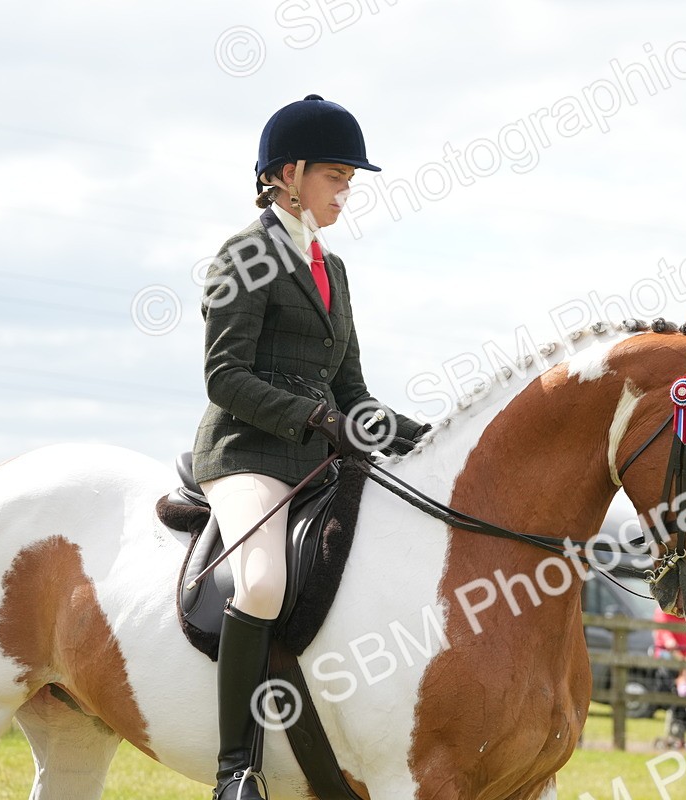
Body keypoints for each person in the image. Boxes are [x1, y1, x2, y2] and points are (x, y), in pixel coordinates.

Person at [192, 94, 429, 800]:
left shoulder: (334, 268)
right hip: (248, 452)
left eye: (349, 180)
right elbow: (223, 374)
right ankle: (236, 770)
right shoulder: (247, 254)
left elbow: (351, 391)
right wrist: (312, 417)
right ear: (288, 174)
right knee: (262, 582)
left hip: (320, 459)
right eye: (335, 176)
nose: (345, 192)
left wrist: (418, 435)